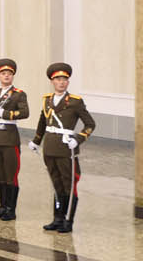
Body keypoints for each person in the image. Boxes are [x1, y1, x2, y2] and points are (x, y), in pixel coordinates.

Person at [31, 63, 95, 233]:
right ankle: (57, 218)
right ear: (52, 81)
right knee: (56, 184)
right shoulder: (47, 100)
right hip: (50, 147)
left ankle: (68, 220)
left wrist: (78, 139)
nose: (61, 82)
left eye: (65, 79)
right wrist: (36, 141)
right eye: (58, 79)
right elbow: (42, 122)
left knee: (69, 184)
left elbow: (90, 124)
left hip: (67, 149)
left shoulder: (75, 101)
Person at [0, 58, 28, 221]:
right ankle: (2, 207)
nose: (6, 76)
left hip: (9, 138)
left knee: (11, 175)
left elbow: (25, 113)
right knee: (0, 174)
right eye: (3, 73)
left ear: (13, 75)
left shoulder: (18, 94)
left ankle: (11, 209)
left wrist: (6, 114)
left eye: (9, 73)